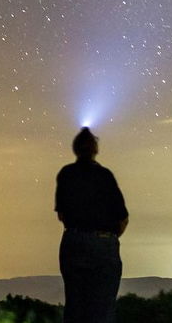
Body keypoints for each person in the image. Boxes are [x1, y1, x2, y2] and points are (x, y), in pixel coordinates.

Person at [55, 126, 128, 323]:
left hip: (73, 242)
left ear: (75, 149)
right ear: (95, 149)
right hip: (102, 245)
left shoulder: (66, 175)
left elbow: (61, 214)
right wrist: (106, 239)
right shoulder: (105, 176)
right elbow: (123, 218)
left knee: (75, 308)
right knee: (102, 310)